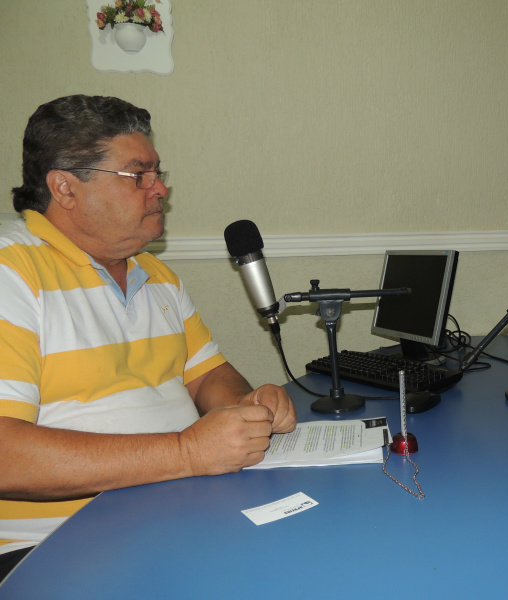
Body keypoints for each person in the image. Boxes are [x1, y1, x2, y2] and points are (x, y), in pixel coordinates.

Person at [0, 95, 297, 578]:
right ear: (65, 188)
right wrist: (187, 452)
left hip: (181, 512)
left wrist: (248, 407)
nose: (160, 190)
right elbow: (5, 457)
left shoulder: (155, 274)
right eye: (138, 175)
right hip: (52, 548)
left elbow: (208, 378)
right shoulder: (11, 273)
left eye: (157, 173)